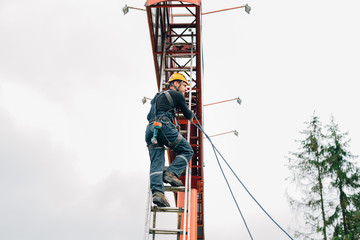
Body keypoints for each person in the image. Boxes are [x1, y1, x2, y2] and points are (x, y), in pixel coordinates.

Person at [145, 73, 194, 207]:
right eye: (184, 85)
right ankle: (171, 173)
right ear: (175, 84)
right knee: (187, 150)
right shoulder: (177, 95)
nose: (185, 89)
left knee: (157, 162)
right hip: (163, 126)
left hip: (150, 130)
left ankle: (158, 193)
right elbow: (187, 113)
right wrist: (192, 116)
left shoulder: (156, 97)